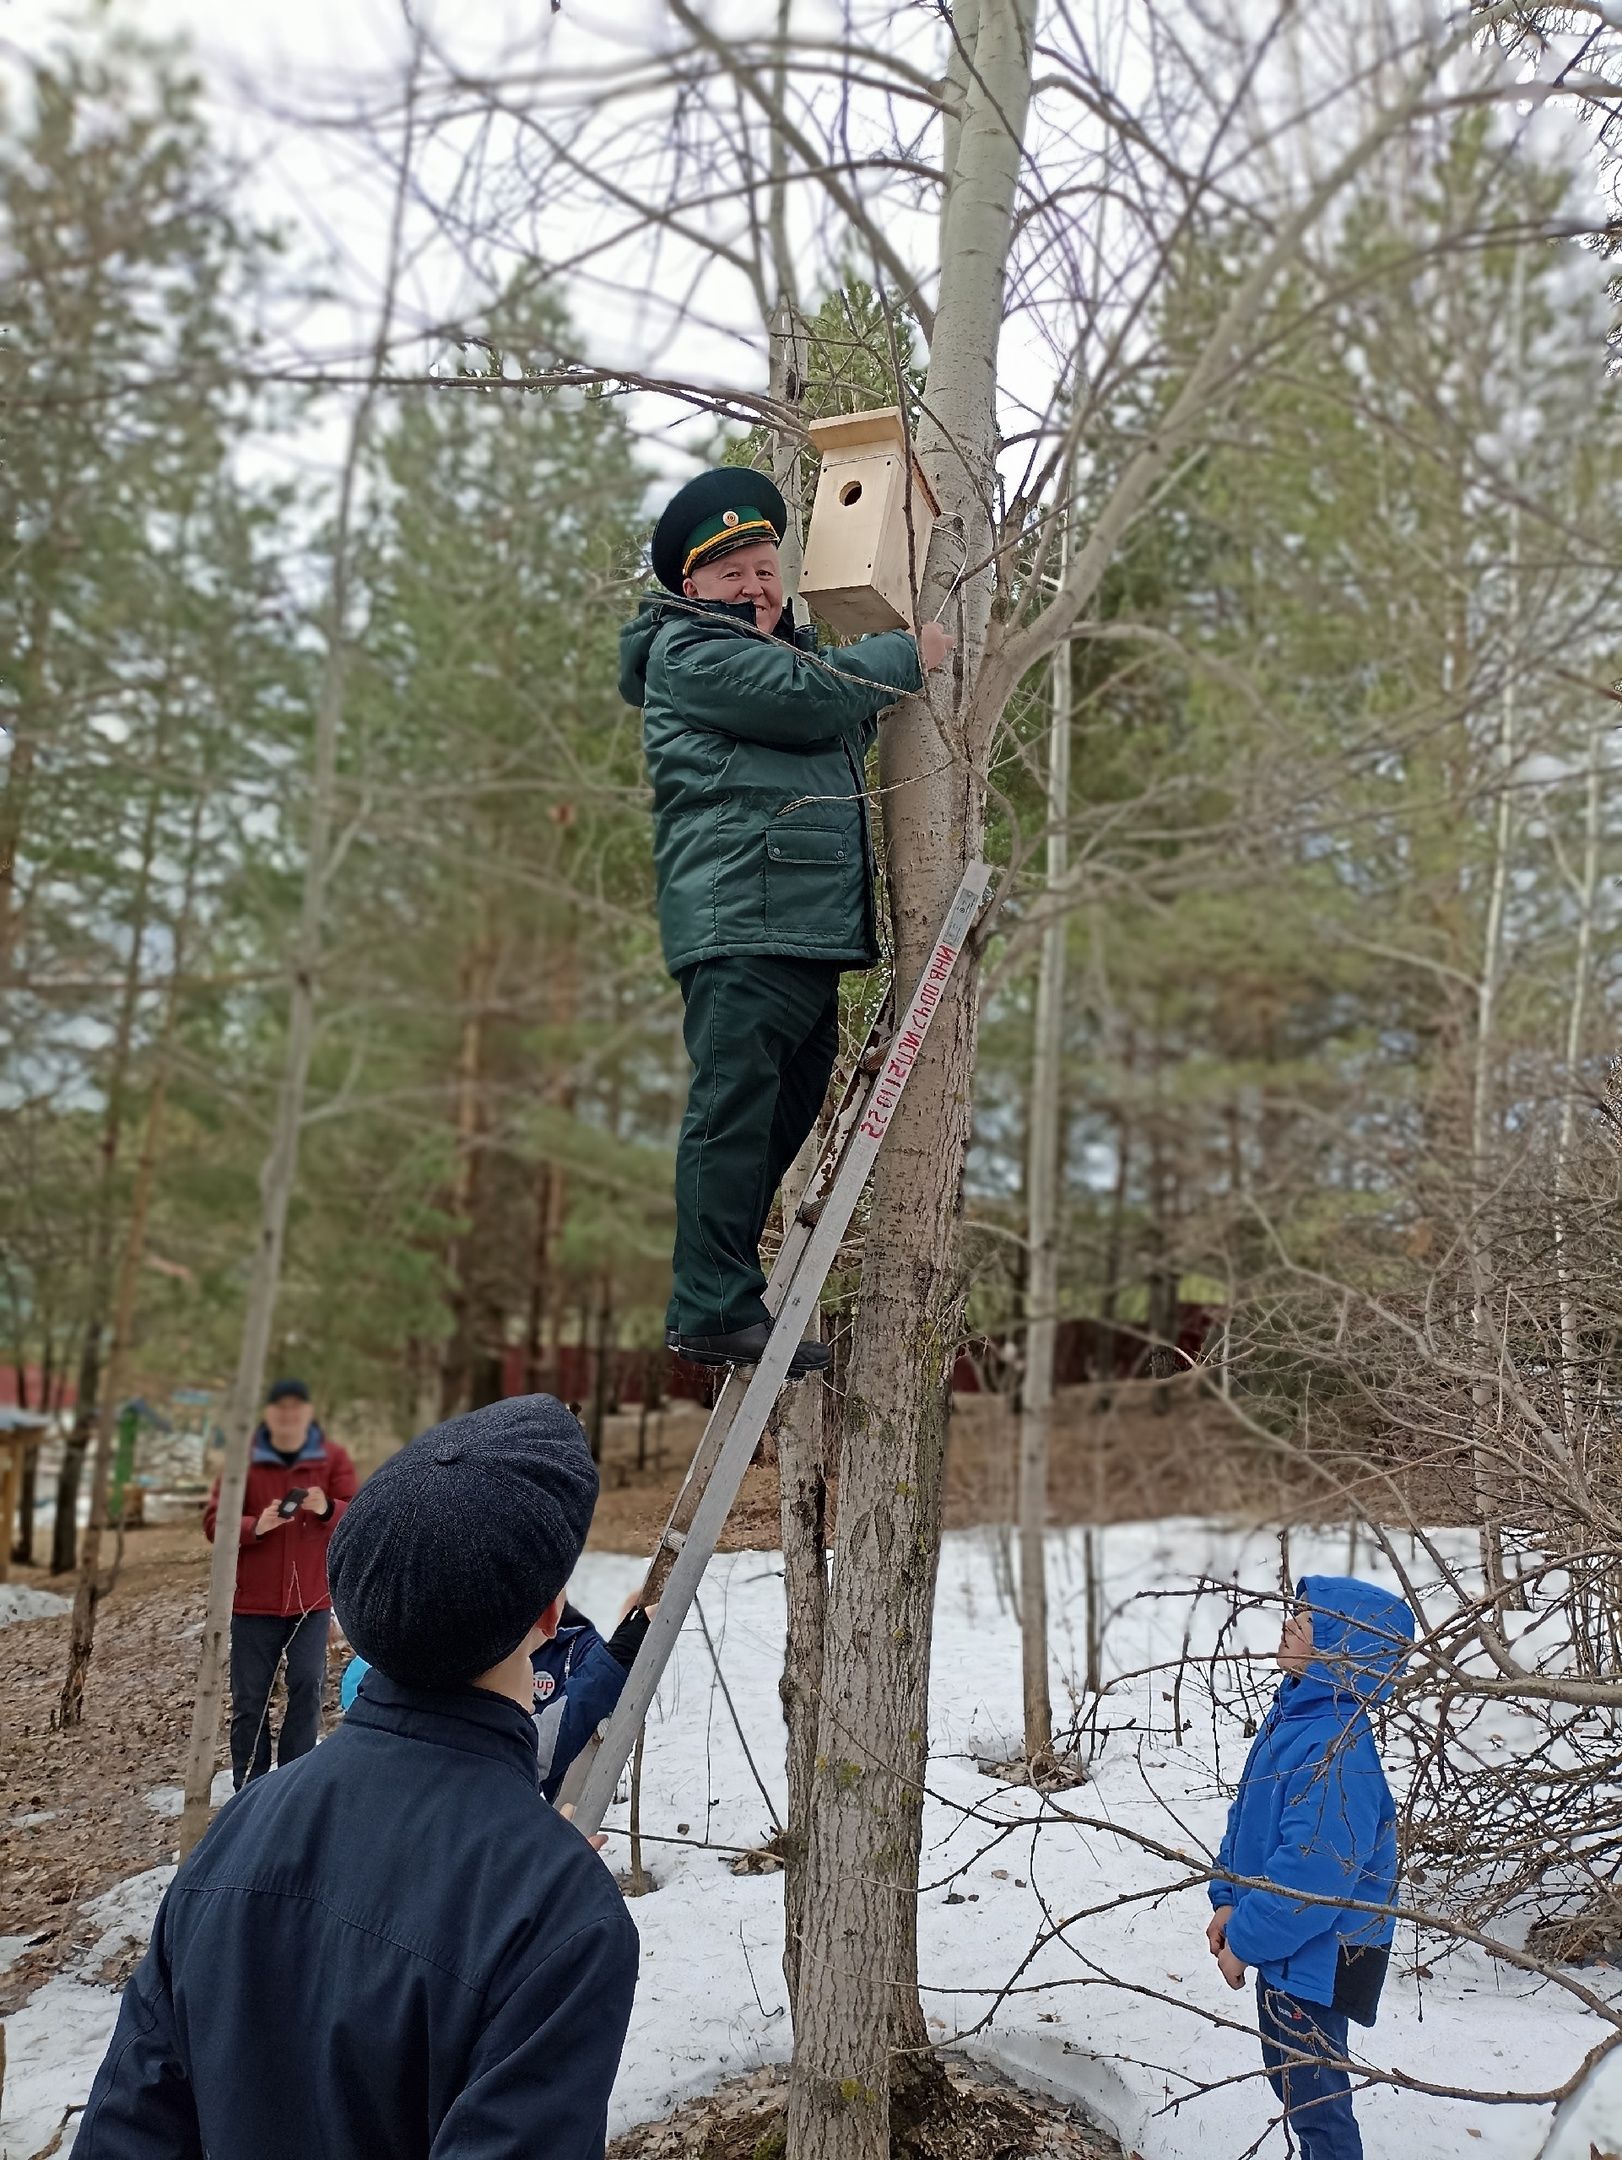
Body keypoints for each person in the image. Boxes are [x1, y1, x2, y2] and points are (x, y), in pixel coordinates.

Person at [80, 1394, 639, 2160]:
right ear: (549, 1613)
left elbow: (129, 2130)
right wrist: (538, 1874)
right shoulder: (560, 1912)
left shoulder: (241, 1827)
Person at [619, 467, 954, 1375]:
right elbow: (810, 697)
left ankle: (723, 1286)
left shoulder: (775, 650)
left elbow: (816, 700)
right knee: (732, 1111)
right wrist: (904, 653)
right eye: (734, 574)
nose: (756, 588)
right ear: (692, 587)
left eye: (767, 570)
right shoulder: (693, 654)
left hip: (793, 920)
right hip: (744, 918)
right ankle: (710, 1306)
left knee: (786, 1102)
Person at [1207, 1574, 1416, 2160]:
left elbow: (1315, 1879)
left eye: (1307, 1621)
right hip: (1285, 1945)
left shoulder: (1337, 1750)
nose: (1289, 1624)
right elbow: (1248, 1818)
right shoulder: (1293, 1719)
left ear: (1340, 1654)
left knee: (1316, 2099)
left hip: (1321, 1957)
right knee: (1292, 2080)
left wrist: (1245, 1940)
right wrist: (1227, 1895)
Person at [339, 1591, 655, 1804]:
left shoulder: (345, 1782)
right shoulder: (472, 1769)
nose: (530, 1704)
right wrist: (624, 1646)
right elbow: (544, 1740)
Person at [202, 1375, 356, 1788]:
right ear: (268, 1414)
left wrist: (326, 1508)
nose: (288, 1417)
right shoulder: (244, 1460)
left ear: (308, 1414)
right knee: (251, 1700)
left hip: (311, 1599)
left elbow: (357, 1515)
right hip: (254, 1603)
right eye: (280, 1410)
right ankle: (249, 1786)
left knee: (307, 1688)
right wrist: (257, 1525)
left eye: (296, 1409)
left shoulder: (331, 1458)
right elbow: (214, 1524)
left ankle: (294, 1781)